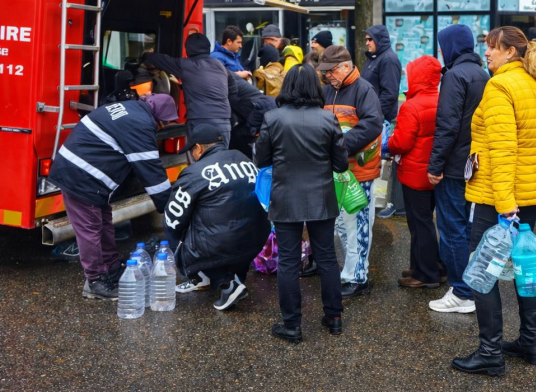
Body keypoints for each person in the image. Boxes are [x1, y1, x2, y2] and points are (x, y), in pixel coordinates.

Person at [451, 26, 536, 376]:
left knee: (484, 271)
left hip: (499, 196)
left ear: (511, 52)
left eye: (493, 47)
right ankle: (529, 343)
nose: (488, 53)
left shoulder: (499, 86)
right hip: (530, 192)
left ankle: (490, 353)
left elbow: (503, 148)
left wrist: (503, 202)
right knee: (526, 268)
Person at [47, 72, 173, 301]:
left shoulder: (131, 108)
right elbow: (151, 172)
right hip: (79, 176)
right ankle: (95, 282)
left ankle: (112, 268)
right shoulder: (141, 124)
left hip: (82, 172)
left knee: (103, 222)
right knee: (91, 229)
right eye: (163, 123)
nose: (162, 127)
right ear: (157, 117)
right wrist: (169, 207)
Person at [255, 65, 349, 343]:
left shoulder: (272, 118)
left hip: (285, 198)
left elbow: (261, 160)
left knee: (288, 262)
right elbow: (341, 163)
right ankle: (334, 317)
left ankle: (292, 324)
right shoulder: (328, 119)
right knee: (327, 258)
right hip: (321, 197)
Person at [164, 124, 269, 310]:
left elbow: (174, 217)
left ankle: (227, 284)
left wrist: (181, 247)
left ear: (198, 148)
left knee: (175, 232)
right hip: (258, 238)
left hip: (221, 244)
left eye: (192, 151)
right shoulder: (243, 157)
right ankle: (228, 277)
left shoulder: (194, 172)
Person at [427, 24, 489, 314]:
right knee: (464, 226)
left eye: (442, 45)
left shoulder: (454, 75)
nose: (440, 51)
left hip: (452, 165)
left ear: (451, 46)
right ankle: (465, 286)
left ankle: (462, 292)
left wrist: (435, 165)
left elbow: (448, 125)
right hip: (471, 162)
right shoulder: (482, 73)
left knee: (452, 227)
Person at [316, 45, 383, 298]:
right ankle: (351, 271)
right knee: (343, 225)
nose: (327, 76)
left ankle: (358, 277)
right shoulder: (328, 90)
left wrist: (339, 147)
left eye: (331, 71)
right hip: (337, 170)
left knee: (359, 225)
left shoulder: (364, 90)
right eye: (325, 72)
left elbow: (372, 125)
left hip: (359, 170)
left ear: (346, 66)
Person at [388, 55, 443, 289]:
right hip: (434, 171)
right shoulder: (442, 99)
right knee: (426, 222)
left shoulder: (412, 106)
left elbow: (401, 143)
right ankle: (425, 265)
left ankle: (426, 274)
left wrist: (387, 143)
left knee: (419, 224)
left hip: (414, 173)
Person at [143, 33, 237, 144]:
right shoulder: (219, 65)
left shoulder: (186, 65)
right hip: (224, 122)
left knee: (200, 157)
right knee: (221, 159)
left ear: (187, 49)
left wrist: (146, 55)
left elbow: (161, 60)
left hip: (200, 121)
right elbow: (233, 88)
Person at [363, 25, 403, 219]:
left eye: (370, 39)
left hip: (380, 120)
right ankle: (374, 200)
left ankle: (385, 202)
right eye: (366, 39)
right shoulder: (374, 58)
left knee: (381, 163)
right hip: (372, 118)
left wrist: (374, 116)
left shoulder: (388, 59)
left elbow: (389, 94)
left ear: (380, 40)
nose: (367, 43)